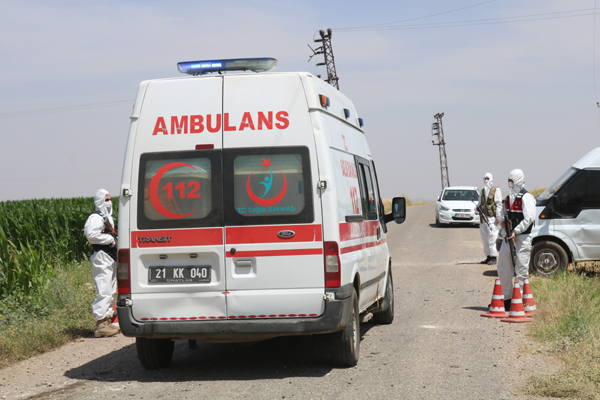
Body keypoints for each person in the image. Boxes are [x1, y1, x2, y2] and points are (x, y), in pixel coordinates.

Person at [496, 169, 536, 311]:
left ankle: (521, 301)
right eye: (509, 180)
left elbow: (529, 218)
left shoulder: (527, 197)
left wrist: (516, 231)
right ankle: (507, 299)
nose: (510, 183)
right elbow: (503, 214)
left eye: (513, 181)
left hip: (522, 238)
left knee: (521, 269)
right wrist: (502, 222)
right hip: (508, 237)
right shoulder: (508, 198)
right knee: (503, 268)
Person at [84, 189, 119, 338]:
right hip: (102, 255)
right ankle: (101, 324)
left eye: (110, 199)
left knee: (111, 290)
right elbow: (91, 235)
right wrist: (110, 240)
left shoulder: (108, 218)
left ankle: (107, 321)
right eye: (106, 199)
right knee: (104, 289)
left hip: (110, 256)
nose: (109, 202)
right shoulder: (95, 218)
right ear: (99, 201)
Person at [478, 173, 502, 265]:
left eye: (488, 178)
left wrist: (498, 216)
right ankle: (488, 256)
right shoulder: (482, 191)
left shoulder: (496, 190)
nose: (486, 180)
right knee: (485, 238)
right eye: (485, 178)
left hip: (492, 218)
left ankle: (493, 257)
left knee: (492, 237)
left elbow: (498, 204)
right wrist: (477, 209)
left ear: (491, 179)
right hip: (483, 218)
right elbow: (479, 203)